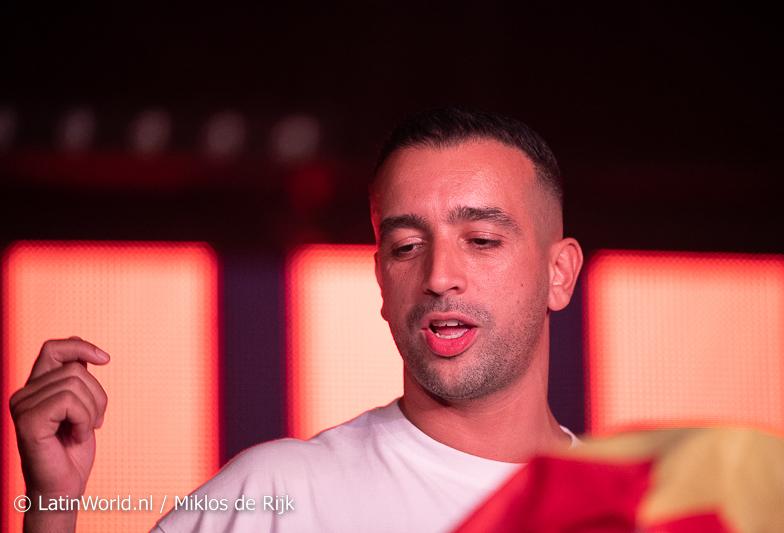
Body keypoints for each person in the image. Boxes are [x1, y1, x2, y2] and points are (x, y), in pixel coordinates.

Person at [10, 107, 584, 532]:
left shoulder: (626, 506)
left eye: (481, 240)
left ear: (559, 273)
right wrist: (52, 507)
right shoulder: (276, 497)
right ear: (381, 282)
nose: (438, 276)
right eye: (406, 247)